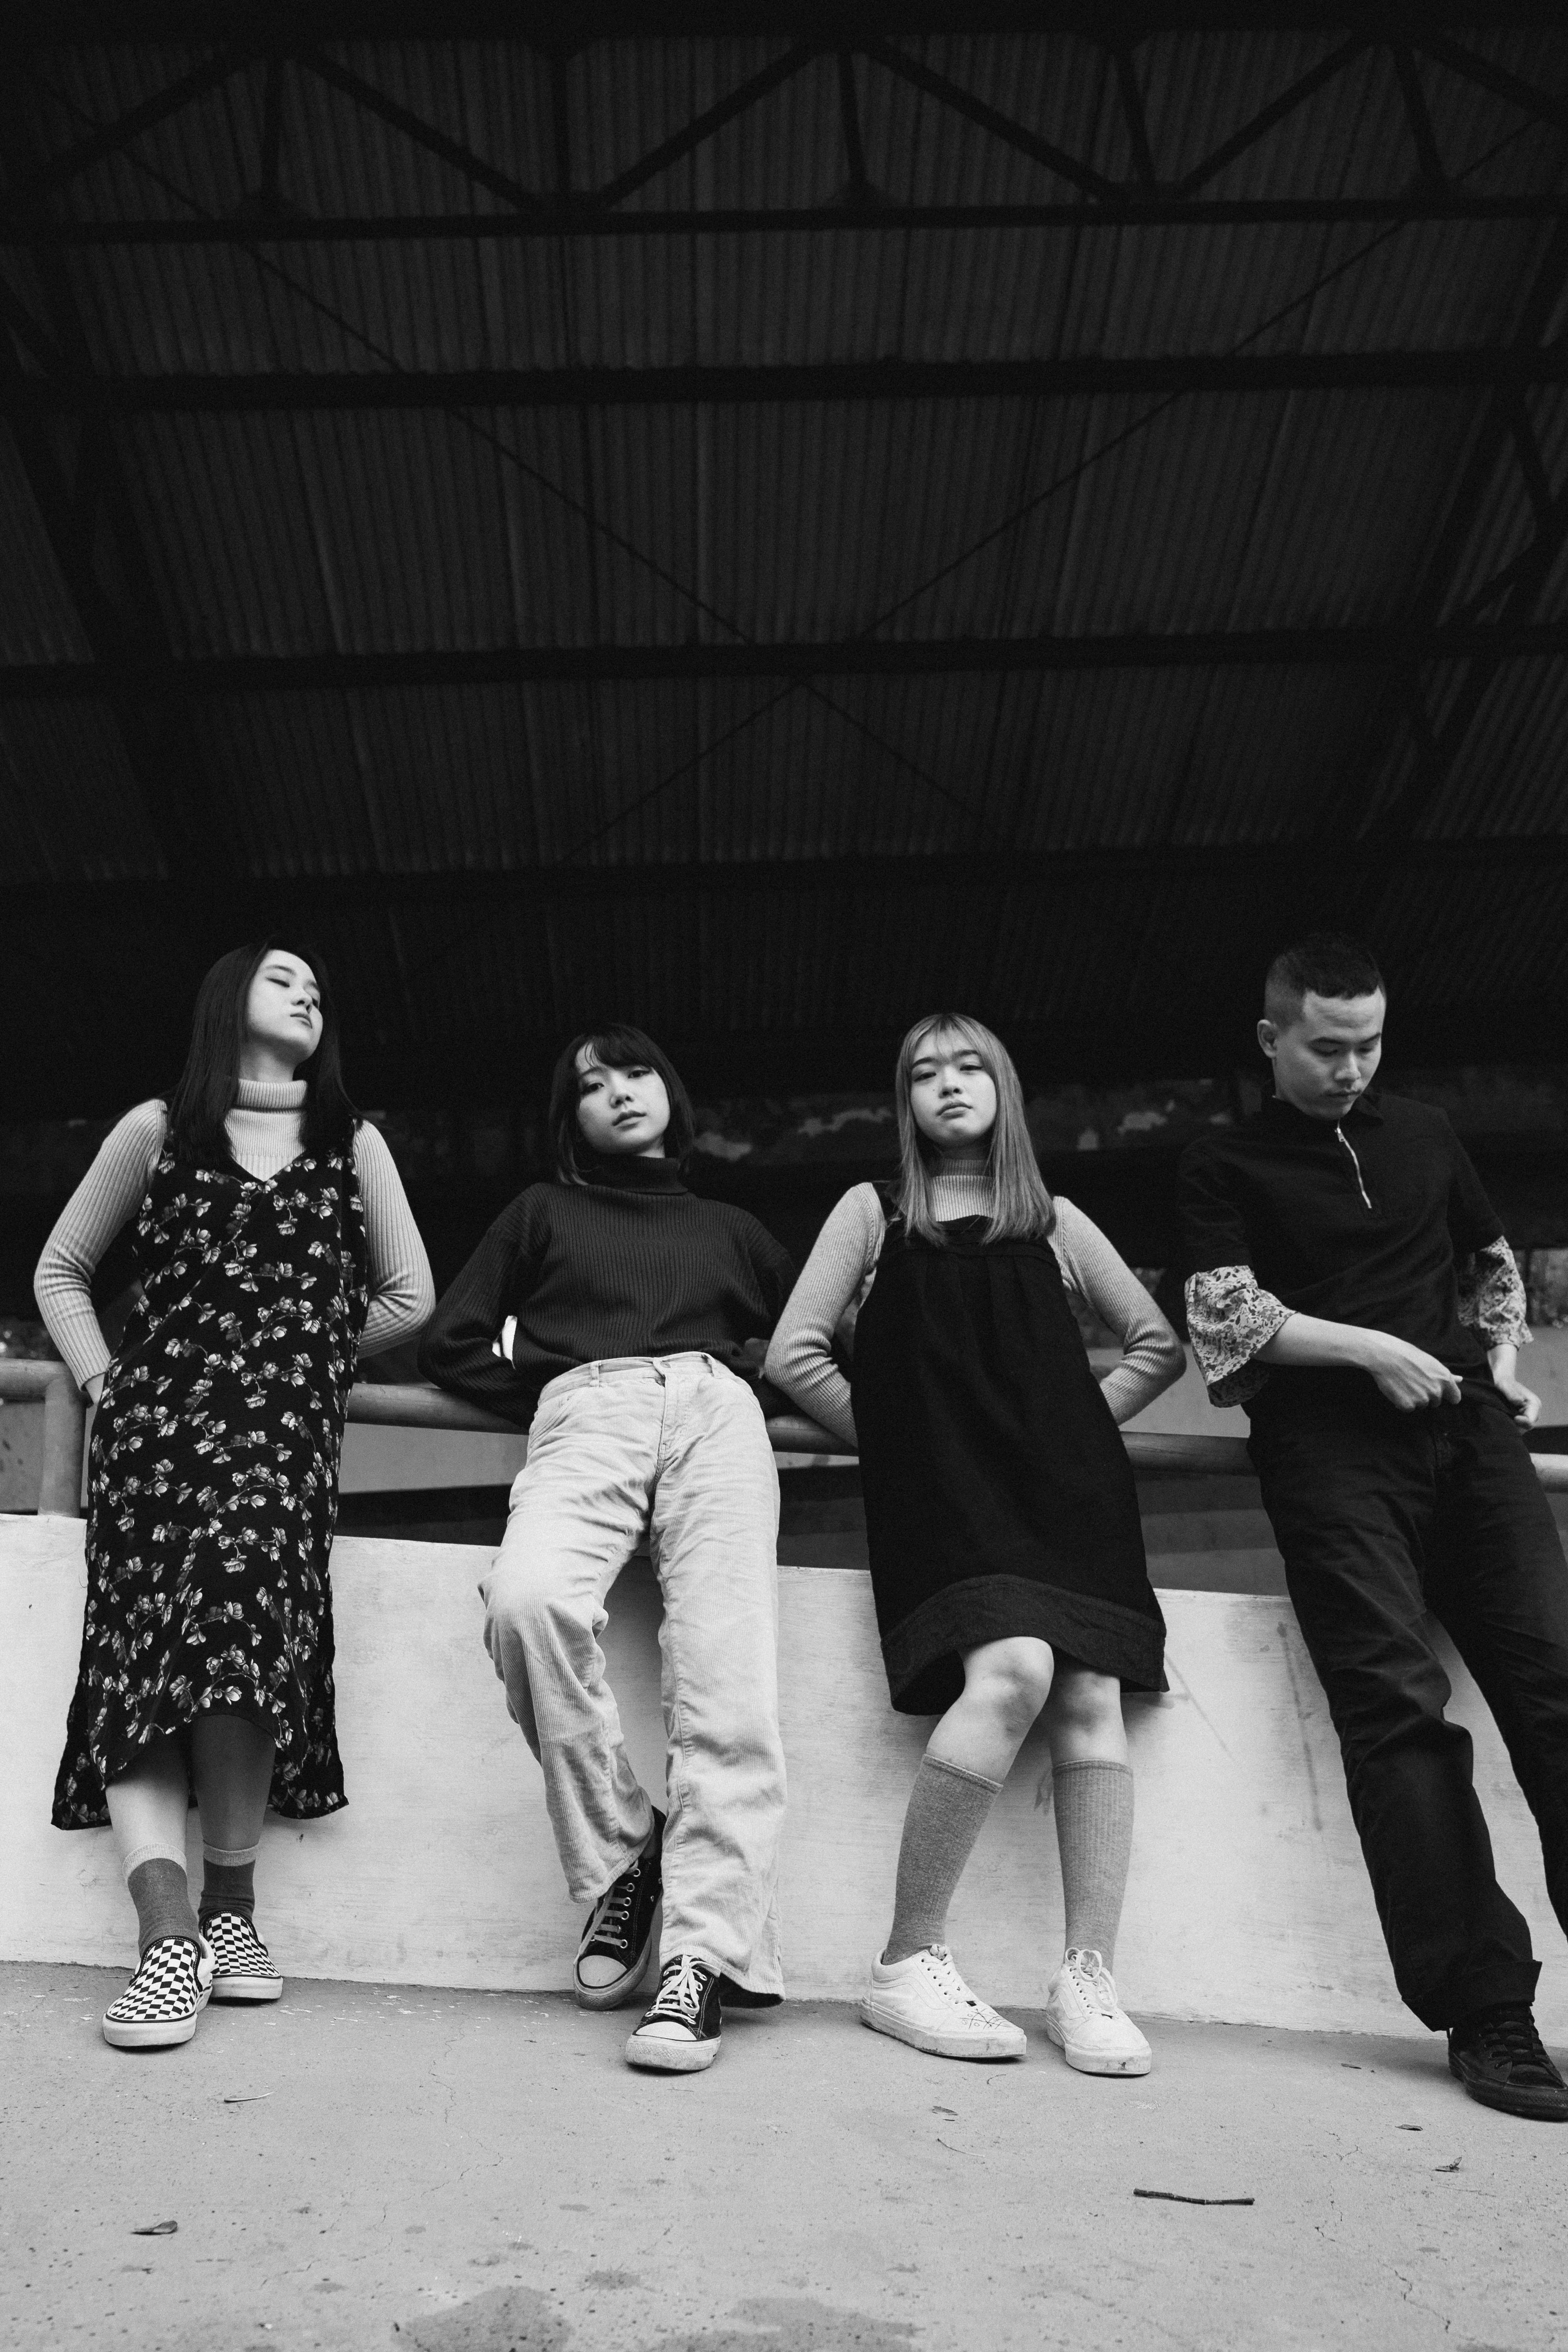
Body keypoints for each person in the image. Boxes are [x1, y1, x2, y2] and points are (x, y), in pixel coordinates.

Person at [1179, 931, 1568, 2122]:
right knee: (1399, 1709)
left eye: (1372, 1045)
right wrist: (1368, 1350)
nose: (1353, 1068)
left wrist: (1503, 1360)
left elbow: (1491, 1262)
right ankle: (1489, 2014)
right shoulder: (1219, 1160)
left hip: (1469, 1438)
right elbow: (1222, 1315)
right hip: (1329, 1459)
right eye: (1328, 1047)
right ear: (1272, 1038)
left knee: (1556, 1681)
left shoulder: (1430, 1135)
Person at [766, 1013, 1185, 2072]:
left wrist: (1076, 1427)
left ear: (1004, 1085)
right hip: (945, 1503)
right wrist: (903, 1447)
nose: (948, 1085)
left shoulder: (1051, 1220)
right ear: (902, 1100)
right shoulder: (874, 1213)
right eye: (923, 1073)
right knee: (1015, 1672)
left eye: (969, 1067)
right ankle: (908, 1961)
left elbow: (1155, 1345)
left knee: (1089, 1697)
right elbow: (794, 1353)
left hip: (1069, 1498)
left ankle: (1087, 1976)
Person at [36, 940, 434, 2051]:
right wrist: (106, 1378)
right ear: (229, 1001)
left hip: (282, 1447)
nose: (311, 990)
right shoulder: (156, 1129)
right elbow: (60, 1272)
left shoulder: (353, 1145)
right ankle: (171, 1939)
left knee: (244, 1655)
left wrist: (302, 1353)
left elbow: (408, 1297)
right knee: (140, 1665)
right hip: (155, 1441)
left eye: (321, 984)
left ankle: (233, 1915)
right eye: (283, 977)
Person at [418, 1024, 795, 2074]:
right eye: (592, 1085)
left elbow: (826, 1341)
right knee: (528, 1603)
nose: (619, 1093)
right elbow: (451, 1337)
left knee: (729, 1685)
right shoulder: (542, 1211)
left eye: (636, 1073)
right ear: (569, 1120)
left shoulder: (738, 1229)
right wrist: (562, 1385)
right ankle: (630, 1846)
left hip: (720, 1416)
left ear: (672, 1092)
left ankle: (700, 1963)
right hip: (586, 1410)